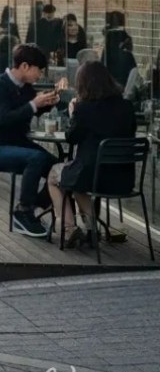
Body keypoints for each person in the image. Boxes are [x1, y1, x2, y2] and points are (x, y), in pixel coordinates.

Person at [47, 61, 137, 248]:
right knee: (78, 179)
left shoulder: (84, 109)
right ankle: (91, 230)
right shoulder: (127, 107)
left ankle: (70, 228)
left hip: (92, 177)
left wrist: (73, 113)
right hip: (123, 179)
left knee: (55, 175)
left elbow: (72, 138)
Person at [0, 43, 59, 238]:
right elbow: (6, 118)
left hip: (18, 143)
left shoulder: (26, 88)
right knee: (36, 158)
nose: (39, 76)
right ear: (25, 66)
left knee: (59, 167)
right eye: (38, 70)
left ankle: (37, 203)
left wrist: (46, 104)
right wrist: (34, 104)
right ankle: (23, 211)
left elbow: (27, 111)